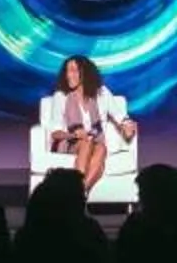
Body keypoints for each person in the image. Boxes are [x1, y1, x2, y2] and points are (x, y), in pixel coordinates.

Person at [42, 53, 138, 196]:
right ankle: (78, 193)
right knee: (87, 143)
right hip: (69, 142)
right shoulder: (61, 96)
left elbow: (121, 118)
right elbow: (55, 133)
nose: (69, 75)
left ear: (84, 72)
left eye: (73, 70)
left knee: (101, 148)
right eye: (67, 71)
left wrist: (127, 125)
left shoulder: (102, 93)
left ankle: (79, 194)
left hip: (96, 144)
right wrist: (74, 134)